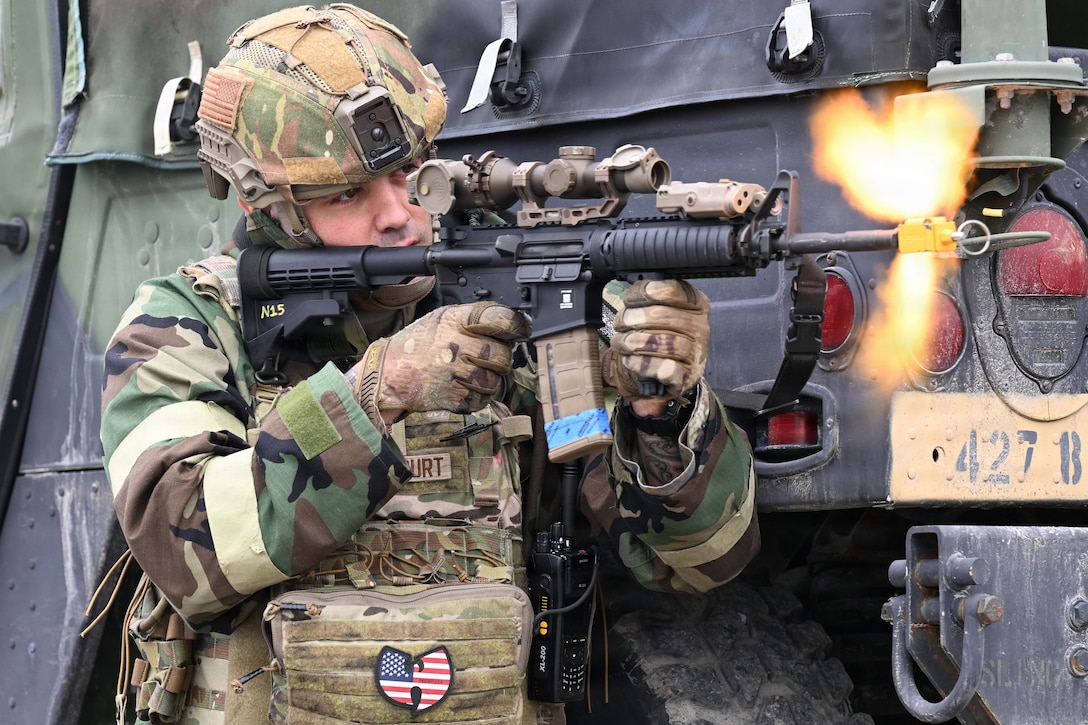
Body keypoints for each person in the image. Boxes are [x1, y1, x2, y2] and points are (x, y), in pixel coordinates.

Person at [100, 5, 758, 725]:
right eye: (348, 191)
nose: (399, 213)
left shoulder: (522, 302)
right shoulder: (190, 323)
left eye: (413, 171)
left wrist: (662, 414)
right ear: (274, 206)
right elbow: (184, 549)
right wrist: (375, 395)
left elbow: (699, 563)